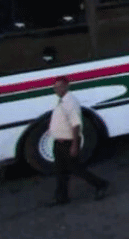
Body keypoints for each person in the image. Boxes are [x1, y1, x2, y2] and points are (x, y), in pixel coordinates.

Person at [48, 77, 108, 205]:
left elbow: (76, 125)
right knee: (60, 171)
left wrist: (75, 145)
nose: (57, 89)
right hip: (59, 142)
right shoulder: (61, 101)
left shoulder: (70, 102)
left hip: (68, 142)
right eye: (55, 87)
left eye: (60, 86)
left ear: (66, 86)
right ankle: (61, 197)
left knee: (76, 169)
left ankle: (100, 184)